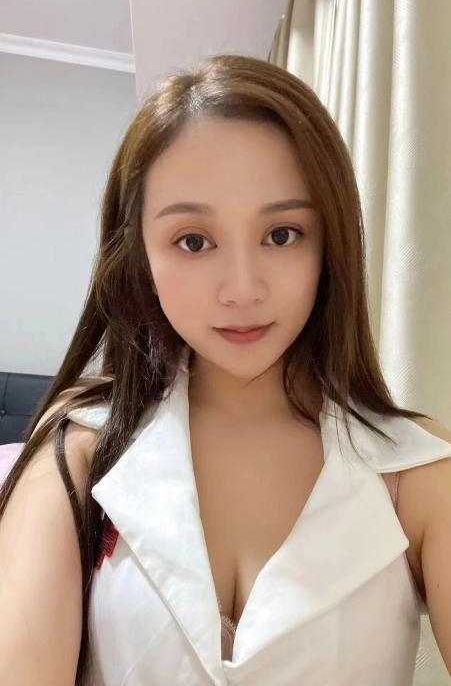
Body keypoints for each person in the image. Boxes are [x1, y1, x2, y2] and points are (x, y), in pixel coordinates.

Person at [0, 53, 450, 686]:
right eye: (193, 241)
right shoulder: (79, 450)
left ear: (330, 245)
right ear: (140, 255)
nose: (242, 290)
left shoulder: (416, 472)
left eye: (282, 234)